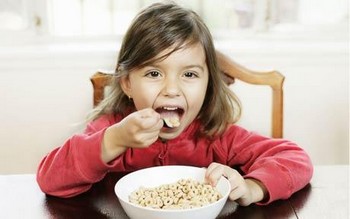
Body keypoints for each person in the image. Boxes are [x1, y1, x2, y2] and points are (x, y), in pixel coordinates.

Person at [37, 2, 313, 206]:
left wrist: (253, 186)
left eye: (189, 74)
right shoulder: (111, 129)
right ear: (127, 83)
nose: (171, 89)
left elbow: (296, 159)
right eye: (154, 73)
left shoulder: (217, 136)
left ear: (208, 84)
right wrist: (114, 140)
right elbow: (49, 179)